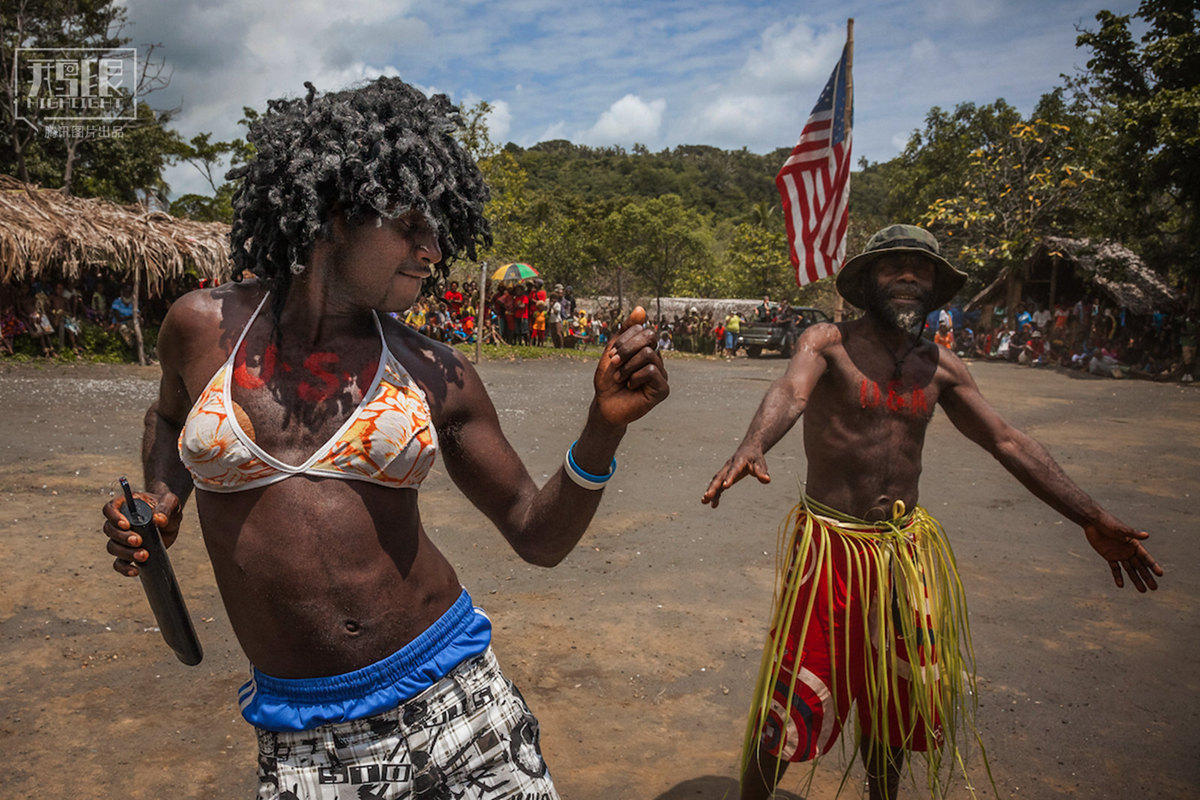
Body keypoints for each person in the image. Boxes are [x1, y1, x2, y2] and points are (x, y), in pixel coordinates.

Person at [99, 78, 670, 800]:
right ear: (337, 214)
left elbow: (537, 534)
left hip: (457, 707)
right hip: (305, 740)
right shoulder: (201, 327)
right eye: (411, 224)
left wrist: (602, 430)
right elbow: (173, 418)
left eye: (439, 230)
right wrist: (159, 495)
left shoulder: (436, 374)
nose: (434, 250)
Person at [700, 224, 1161, 800]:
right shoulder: (827, 342)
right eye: (894, 266)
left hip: (905, 554)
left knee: (896, 696)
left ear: (936, 287)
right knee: (794, 692)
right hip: (832, 552)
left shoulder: (941, 367)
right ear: (869, 280)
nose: (908, 277)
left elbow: (1008, 441)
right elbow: (791, 393)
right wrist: (754, 443)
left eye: (921, 270)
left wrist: (1090, 516)